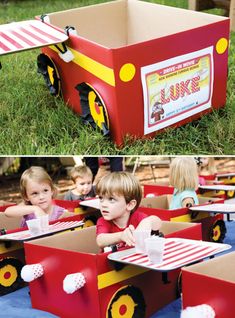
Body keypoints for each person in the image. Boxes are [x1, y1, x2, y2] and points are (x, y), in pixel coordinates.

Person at [95, 171, 162, 249]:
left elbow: (158, 222)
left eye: (111, 199)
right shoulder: (103, 221)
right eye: (101, 198)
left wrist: (148, 221)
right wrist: (121, 236)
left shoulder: (138, 217)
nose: (103, 204)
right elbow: (100, 240)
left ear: (130, 204)